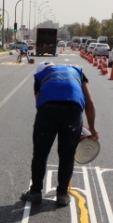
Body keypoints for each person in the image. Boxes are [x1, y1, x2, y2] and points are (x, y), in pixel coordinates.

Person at [20, 62, 98, 206]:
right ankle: (62, 195)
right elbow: (90, 103)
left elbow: (39, 103)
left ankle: (35, 192)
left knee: (40, 153)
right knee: (67, 154)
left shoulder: (40, 77)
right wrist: (92, 128)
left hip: (48, 109)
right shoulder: (77, 71)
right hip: (73, 109)